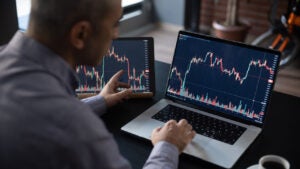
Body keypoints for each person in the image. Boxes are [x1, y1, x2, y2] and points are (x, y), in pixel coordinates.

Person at [0, 0, 196, 168]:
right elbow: (57, 120)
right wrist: (168, 146)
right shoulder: (77, 128)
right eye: (114, 24)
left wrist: (100, 101)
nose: (116, 35)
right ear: (81, 34)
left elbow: (40, 116)